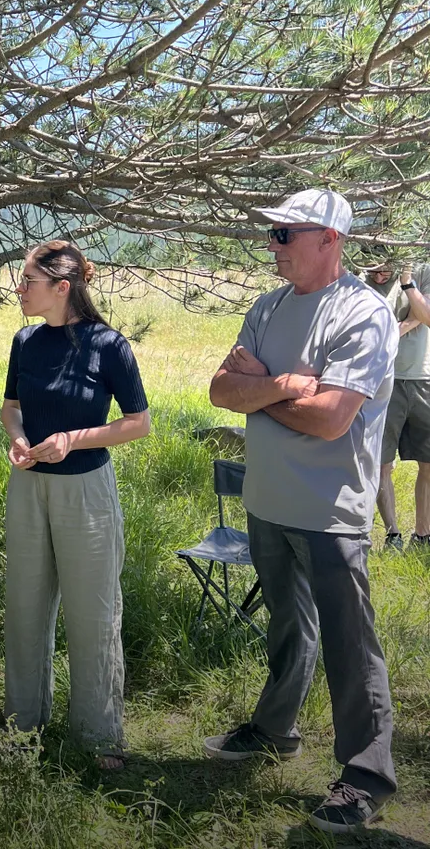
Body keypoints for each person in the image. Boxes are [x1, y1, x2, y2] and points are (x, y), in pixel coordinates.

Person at [205, 189, 398, 834]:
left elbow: (331, 418)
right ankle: (274, 728)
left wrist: (259, 393)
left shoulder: (363, 314)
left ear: (330, 240)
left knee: (350, 645)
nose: (275, 245)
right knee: (289, 628)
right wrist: (282, 387)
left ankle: (366, 774)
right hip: (267, 501)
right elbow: (219, 389)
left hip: (329, 509)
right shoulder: (269, 305)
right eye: (273, 234)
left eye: (288, 234)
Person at [0, 240, 151, 769]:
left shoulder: (109, 345)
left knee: (93, 614)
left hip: (86, 492)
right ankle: (22, 724)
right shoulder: (25, 339)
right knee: (24, 608)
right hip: (28, 489)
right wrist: (17, 438)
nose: (19, 289)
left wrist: (74, 439)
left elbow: (138, 423)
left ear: (62, 288)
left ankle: (99, 733)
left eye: (27, 282)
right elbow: (10, 407)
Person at [363, 254, 430, 549]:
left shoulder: (422, 271)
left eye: (384, 270)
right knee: (381, 463)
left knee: (428, 465)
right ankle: (392, 535)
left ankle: (423, 534)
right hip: (382, 380)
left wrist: (405, 282)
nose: (379, 276)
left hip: (423, 377)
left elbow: (425, 313)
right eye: (373, 270)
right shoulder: (361, 277)